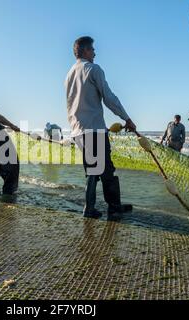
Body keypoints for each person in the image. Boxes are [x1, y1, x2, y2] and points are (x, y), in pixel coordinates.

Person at [65, 36, 136, 220]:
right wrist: (127, 118)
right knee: (102, 171)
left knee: (96, 170)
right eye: (93, 50)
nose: (95, 53)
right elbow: (109, 97)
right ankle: (99, 209)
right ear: (86, 51)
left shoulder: (69, 74)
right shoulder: (93, 69)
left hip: (78, 131)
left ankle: (111, 206)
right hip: (94, 130)